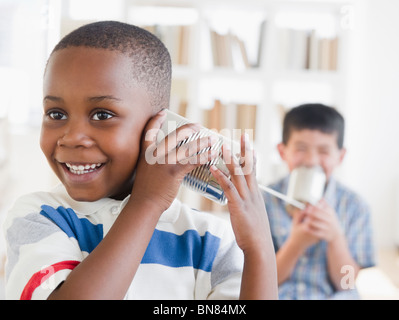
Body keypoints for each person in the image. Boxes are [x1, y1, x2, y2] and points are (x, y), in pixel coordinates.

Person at [3, 21, 277, 300]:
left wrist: (259, 250)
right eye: (56, 114)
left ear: (161, 127)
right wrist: (146, 203)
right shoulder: (38, 217)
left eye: (101, 115)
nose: (72, 137)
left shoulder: (210, 241)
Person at [262, 103, 375, 299]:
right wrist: (296, 244)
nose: (311, 160)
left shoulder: (355, 207)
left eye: (323, 151)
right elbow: (259, 282)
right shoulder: (265, 201)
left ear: (340, 156)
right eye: (301, 149)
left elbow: (347, 284)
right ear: (282, 152)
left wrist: (335, 237)